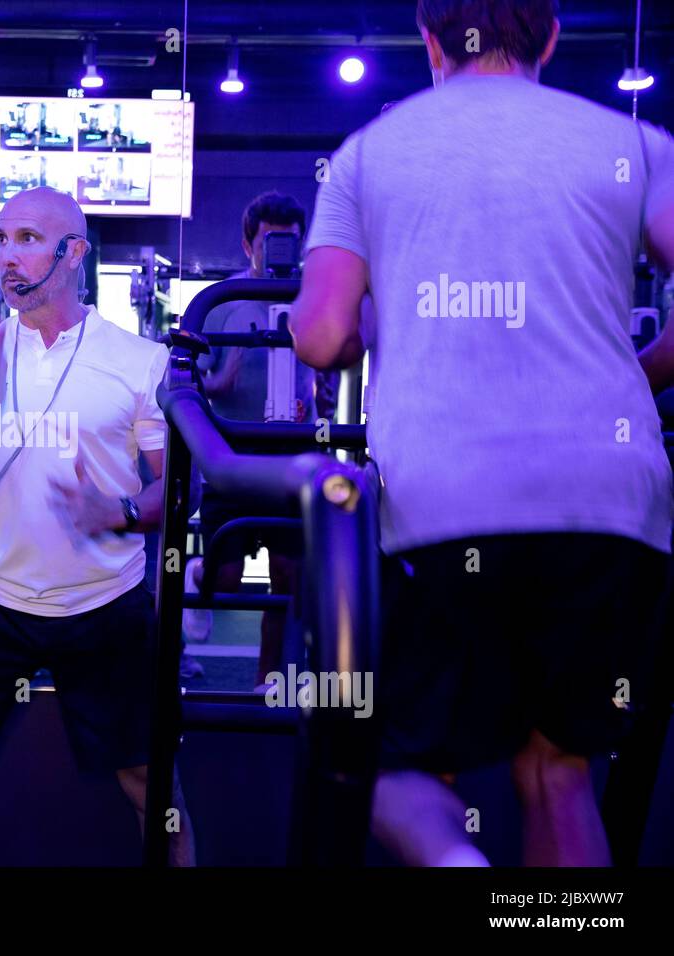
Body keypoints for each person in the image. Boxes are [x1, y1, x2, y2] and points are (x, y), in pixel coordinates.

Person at [290, 0, 674, 866]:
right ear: (550, 37)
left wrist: (368, 330)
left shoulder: (368, 153)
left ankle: (458, 865)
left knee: (395, 760)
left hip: (445, 497)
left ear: (429, 42)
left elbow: (318, 336)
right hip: (609, 499)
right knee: (559, 767)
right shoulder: (632, 140)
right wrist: (638, 374)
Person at [0, 186, 194, 866]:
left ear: (74, 254)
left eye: (28, 239)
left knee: (155, 789)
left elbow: (176, 491)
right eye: (2, 239)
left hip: (104, 603)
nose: (8, 255)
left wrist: (117, 511)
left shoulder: (136, 361)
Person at [187, 192, 318, 685]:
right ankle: (199, 574)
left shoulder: (310, 298)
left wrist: (315, 399)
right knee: (228, 579)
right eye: (270, 240)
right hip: (232, 457)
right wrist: (220, 384)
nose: (281, 249)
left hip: (291, 455)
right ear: (248, 245)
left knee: (287, 577)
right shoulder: (220, 303)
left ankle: (268, 681)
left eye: (290, 239)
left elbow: (328, 361)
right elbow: (189, 385)